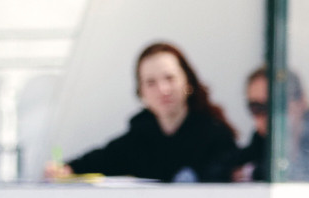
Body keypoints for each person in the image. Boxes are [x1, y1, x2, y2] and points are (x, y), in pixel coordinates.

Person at [47, 41, 240, 183]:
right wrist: (64, 169)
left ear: (188, 83)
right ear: (142, 94)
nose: (162, 89)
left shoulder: (216, 137)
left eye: (170, 78)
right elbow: (100, 161)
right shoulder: (138, 138)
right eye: (151, 83)